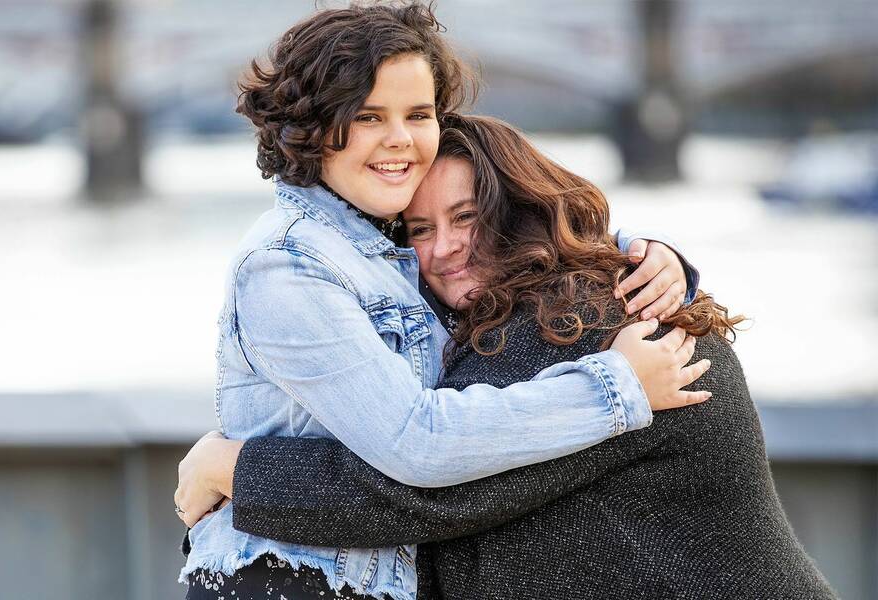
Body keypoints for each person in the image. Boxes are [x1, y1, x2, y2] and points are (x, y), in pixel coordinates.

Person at [176, 115, 837, 599]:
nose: (443, 250)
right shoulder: (536, 311)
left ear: (523, 212)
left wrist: (232, 468)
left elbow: (420, 495)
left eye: (468, 218)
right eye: (421, 230)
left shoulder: (583, 321)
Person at [179, 4, 708, 600]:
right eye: (369, 116)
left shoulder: (389, 241)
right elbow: (417, 442)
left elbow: (514, 230)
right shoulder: (290, 266)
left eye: (418, 114)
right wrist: (617, 387)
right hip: (290, 582)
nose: (400, 139)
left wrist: (639, 252)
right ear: (310, 126)